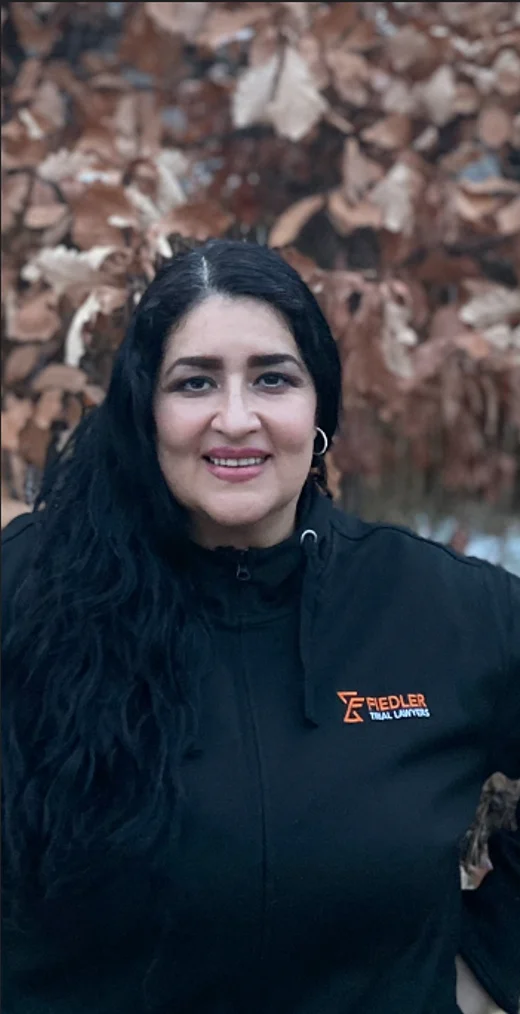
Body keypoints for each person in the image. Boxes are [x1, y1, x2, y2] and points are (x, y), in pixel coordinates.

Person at [2, 239, 518, 1014]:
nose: (235, 418)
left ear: (320, 409)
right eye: (196, 381)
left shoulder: (442, 610)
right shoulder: (29, 593)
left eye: (273, 379)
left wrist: (490, 968)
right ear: (146, 408)